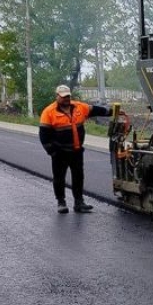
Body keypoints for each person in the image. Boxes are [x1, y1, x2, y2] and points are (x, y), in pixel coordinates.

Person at [39, 84, 111, 214]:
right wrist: (53, 152)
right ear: (57, 97)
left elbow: (96, 110)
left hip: (76, 151)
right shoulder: (49, 112)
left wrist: (113, 112)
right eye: (63, 97)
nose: (66, 99)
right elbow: (44, 136)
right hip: (60, 152)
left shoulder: (79, 107)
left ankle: (79, 202)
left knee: (78, 177)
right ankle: (61, 202)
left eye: (68, 96)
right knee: (59, 177)